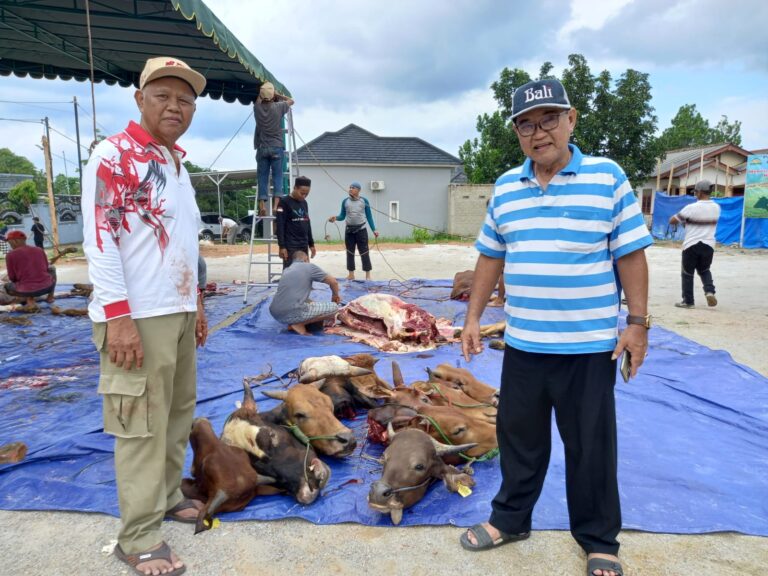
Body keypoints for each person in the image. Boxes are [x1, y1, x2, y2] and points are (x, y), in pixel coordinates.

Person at [459, 79, 652, 576]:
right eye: (526, 123)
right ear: (518, 133)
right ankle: (511, 519)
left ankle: (598, 539)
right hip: (523, 343)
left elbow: (630, 253)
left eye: (548, 119)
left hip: (588, 348)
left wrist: (637, 324)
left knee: (590, 445)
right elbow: (490, 256)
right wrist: (474, 317)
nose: (537, 132)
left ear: (571, 120)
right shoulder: (506, 186)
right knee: (519, 438)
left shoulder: (607, 177)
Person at [81, 56, 208, 576]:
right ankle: (138, 538)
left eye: (186, 99)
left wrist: (197, 303)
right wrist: (119, 319)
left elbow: (186, 244)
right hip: (136, 315)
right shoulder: (114, 156)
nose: (175, 106)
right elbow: (100, 240)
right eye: (163, 95)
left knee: (177, 415)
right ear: (140, 99)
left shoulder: (176, 164)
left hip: (175, 312)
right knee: (140, 427)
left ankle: (165, 497)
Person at [669, 179, 720, 309]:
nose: (695, 194)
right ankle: (709, 291)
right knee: (704, 270)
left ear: (700, 192)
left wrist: (683, 221)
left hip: (691, 244)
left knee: (687, 273)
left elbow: (673, 221)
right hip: (709, 245)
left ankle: (688, 301)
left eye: (696, 191)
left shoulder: (691, 207)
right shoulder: (716, 207)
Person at [269, 250, 341, 335]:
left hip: (275, 313)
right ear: (306, 259)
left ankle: (293, 321)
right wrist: (335, 295)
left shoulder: (287, 270)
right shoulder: (309, 267)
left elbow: (292, 293)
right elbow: (334, 282)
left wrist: (312, 303)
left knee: (311, 304)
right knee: (334, 308)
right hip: (291, 311)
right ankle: (299, 324)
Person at [254, 81, 294, 216]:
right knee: (278, 176)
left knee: (262, 177)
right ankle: (276, 206)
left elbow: (258, 100)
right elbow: (291, 101)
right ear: (272, 96)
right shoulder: (279, 107)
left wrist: (264, 93)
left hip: (262, 147)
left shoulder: (257, 108)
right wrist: (277, 94)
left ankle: (262, 205)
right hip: (276, 146)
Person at [328, 181, 379, 280]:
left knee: (364, 252)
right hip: (349, 231)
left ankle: (368, 275)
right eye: (350, 187)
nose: (350, 189)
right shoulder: (345, 201)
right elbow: (342, 216)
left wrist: (374, 229)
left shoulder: (364, 201)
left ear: (358, 190)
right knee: (350, 253)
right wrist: (335, 218)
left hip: (361, 231)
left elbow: (369, 216)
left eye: (353, 187)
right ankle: (351, 274)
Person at [3, 229, 56, 306]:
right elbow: (46, 268)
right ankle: (50, 297)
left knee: (7, 287)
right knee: (52, 269)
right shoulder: (39, 249)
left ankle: (29, 299)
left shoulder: (10, 255)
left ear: (15, 241)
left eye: (9, 242)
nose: (9, 244)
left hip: (26, 291)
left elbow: (12, 277)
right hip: (48, 287)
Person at [275, 175, 315, 268]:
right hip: (290, 246)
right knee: (290, 272)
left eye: (307, 193)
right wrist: (282, 246)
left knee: (305, 271)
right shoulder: (284, 202)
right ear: (295, 188)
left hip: (303, 245)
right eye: (302, 193)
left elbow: (307, 223)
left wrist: (311, 244)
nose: (304, 196)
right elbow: (280, 226)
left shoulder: (304, 203)